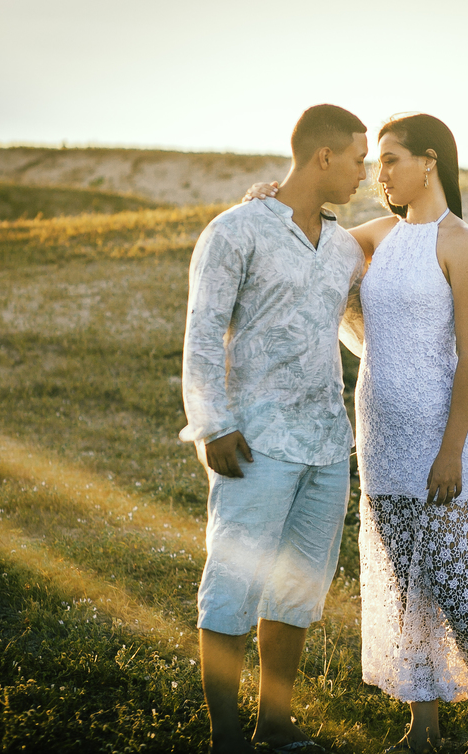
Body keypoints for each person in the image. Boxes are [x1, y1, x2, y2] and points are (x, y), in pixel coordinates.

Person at [247, 113, 468, 754]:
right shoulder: (378, 236)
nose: (379, 172)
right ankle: (422, 727)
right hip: (383, 437)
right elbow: (310, 245)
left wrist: (451, 450)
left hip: (442, 441)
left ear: (429, 163)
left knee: (450, 580)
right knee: (401, 583)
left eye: (391, 160)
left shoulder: (460, 243)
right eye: (377, 160)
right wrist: (267, 204)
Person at [179, 104, 368, 754]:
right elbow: (202, 331)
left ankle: (276, 725)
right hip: (253, 442)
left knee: (298, 587)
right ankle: (226, 737)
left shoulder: (343, 246)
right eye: (357, 158)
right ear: (323, 156)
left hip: (324, 444)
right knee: (233, 582)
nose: (363, 172)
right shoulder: (235, 231)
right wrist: (212, 424)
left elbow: (354, 330)